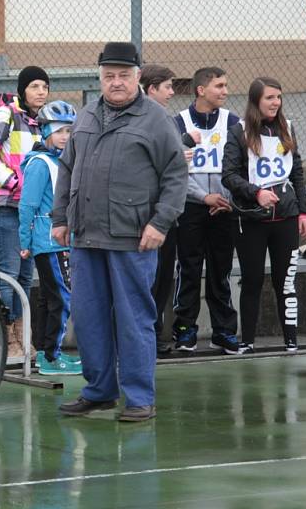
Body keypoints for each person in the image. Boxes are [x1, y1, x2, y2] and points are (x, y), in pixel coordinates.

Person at [52, 42, 187, 422]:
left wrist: (160, 223)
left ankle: (140, 397)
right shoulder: (87, 115)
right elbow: (67, 169)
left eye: (123, 76)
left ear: (138, 77)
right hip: (85, 233)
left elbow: (176, 175)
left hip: (133, 237)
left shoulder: (156, 119)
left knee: (134, 318)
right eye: (108, 76)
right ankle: (99, 391)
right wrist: (60, 217)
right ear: (100, 78)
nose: (115, 83)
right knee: (88, 316)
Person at [222, 77, 306, 353]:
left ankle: (291, 340)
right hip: (252, 218)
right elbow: (229, 175)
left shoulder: (288, 128)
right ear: (256, 101)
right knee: (252, 279)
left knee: (285, 280)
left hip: (285, 217)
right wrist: (255, 192)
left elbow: (296, 172)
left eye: (278, 97)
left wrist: (303, 211)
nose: (276, 103)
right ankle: (247, 340)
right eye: (269, 98)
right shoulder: (239, 132)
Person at [0, 66, 46, 357]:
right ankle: (6, 339)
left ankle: (20, 335)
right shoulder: (7, 114)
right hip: (7, 206)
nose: (41, 91)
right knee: (10, 273)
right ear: (22, 90)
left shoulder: (44, 121)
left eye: (44, 86)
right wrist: (12, 181)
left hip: (32, 211)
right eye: (34, 86)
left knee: (26, 277)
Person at [171, 67, 241, 355]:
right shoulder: (179, 123)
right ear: (201, 90)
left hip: (223, 208)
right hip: (192, 206)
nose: (225, 91)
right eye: (219, 86)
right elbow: (175, 172)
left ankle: (223, 330)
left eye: (226, 85)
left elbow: (240, 166)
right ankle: (185, 329)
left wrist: (224, 198)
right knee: (188, 268)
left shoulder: (233, 122)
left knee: (220, 270)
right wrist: (205, 196)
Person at [18, 100, 82, 376]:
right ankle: (51, 357)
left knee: (49, 297)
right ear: (45, 132)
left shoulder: (65, 161)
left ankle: (47, 354)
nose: (65, 137)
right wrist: (24, 241)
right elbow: (27, 205)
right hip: (49, 242)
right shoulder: (41, 163)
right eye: (59, 131)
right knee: (62, 297)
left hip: (63, 240)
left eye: (69, 131)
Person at [139, 64, 178, 357]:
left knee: (164, 276)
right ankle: (141, 337)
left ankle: (154, 333)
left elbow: (173, 165)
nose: (172, 93)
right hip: (142, 215)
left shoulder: (166, 120)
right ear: (152, 89)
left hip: (166, 215)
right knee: (144, 280)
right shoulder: (138, 118)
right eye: (167, 87)